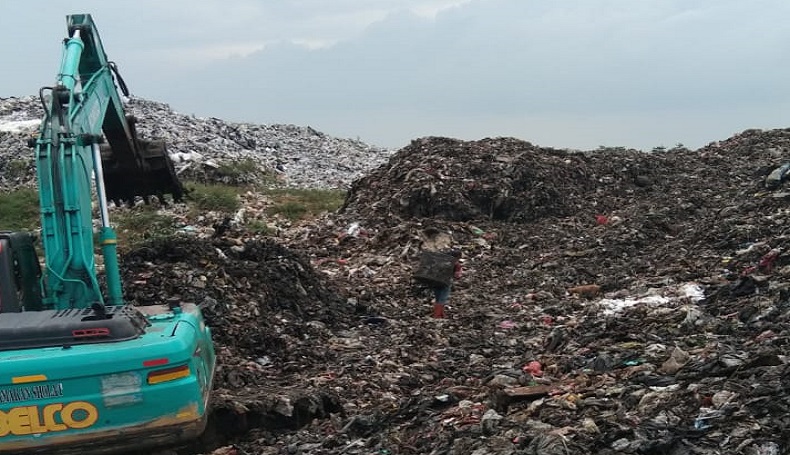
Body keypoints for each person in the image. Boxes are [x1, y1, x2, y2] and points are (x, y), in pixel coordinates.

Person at [430, 249, 462, 319]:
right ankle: (437, 316)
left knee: (438, 299)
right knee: (442, 299)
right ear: (457, 257)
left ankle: (441, 314)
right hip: (445, 283)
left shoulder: (440, 260)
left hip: (435, 282)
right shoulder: (456, 264)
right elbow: (457, 276)